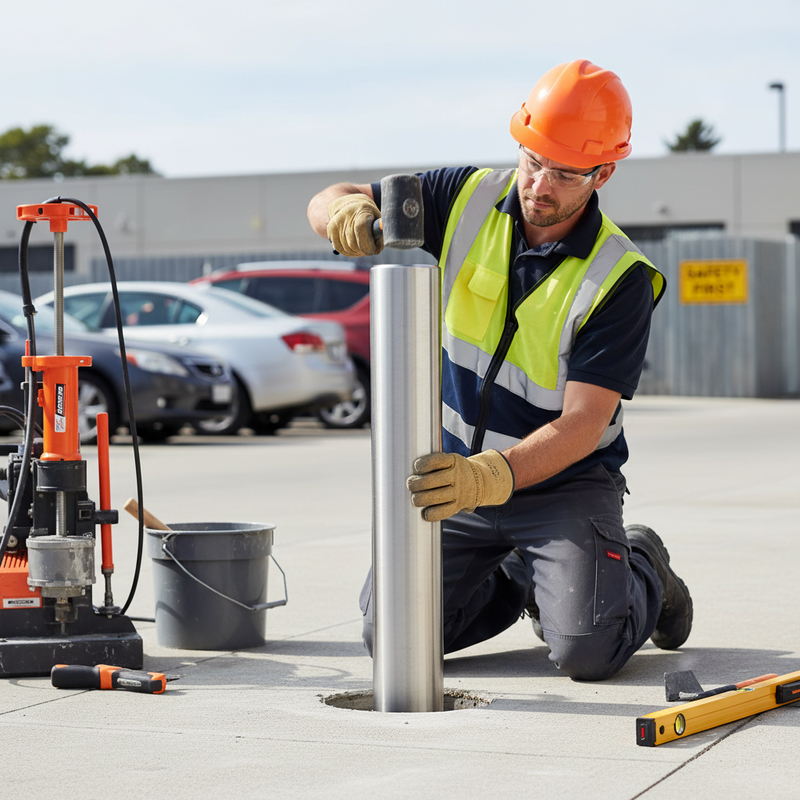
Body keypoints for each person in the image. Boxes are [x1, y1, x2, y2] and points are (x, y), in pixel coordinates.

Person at [307, 59, 692, 681]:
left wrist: (492, 477)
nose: (540, 185)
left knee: (586, 652)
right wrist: (341, 214)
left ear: (604, 172)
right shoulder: (465, 196)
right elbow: (331, 198)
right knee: (394, 634)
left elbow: (586, 423)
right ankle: (526, 578)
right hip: (456, 476)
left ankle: (642, 565)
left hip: (561, 485)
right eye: (533, 160)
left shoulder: (618, 277)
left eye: (565, 173)